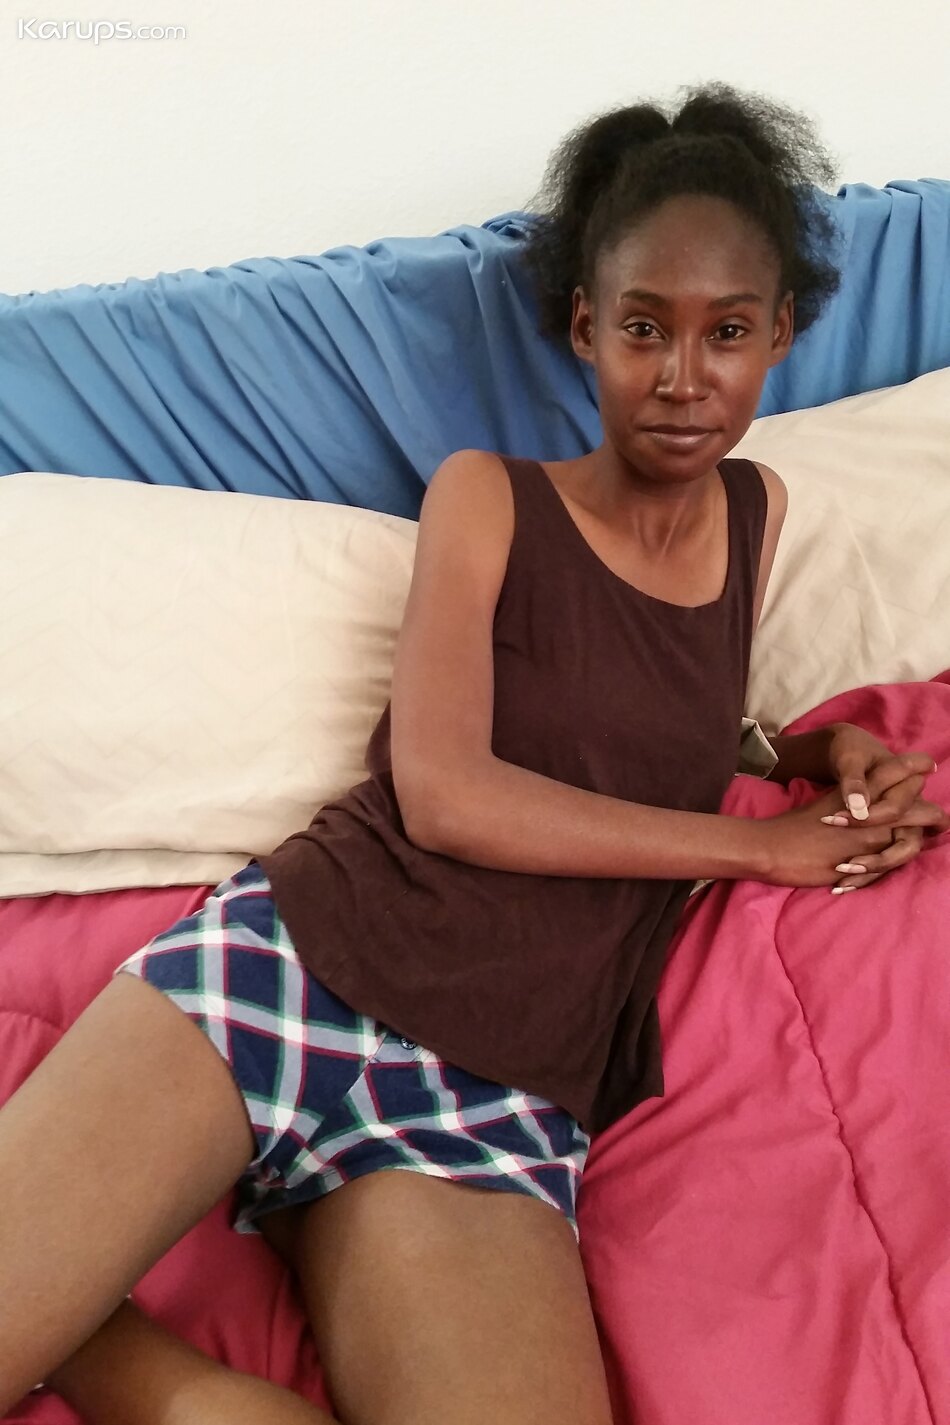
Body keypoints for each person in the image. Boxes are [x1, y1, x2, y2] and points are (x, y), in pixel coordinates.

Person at [2, 83, 946, 1424]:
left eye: (726, 331)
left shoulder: (756, 509)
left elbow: (653, 715)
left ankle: (109, 1347)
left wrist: (802, 748)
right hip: (302, 964)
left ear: (780, 334)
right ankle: (65, 1302)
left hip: (499, 1094)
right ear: (586, 328)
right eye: (643, 328)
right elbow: (445, 795)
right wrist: (762, 850)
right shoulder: (486, 496)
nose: (683, 376)